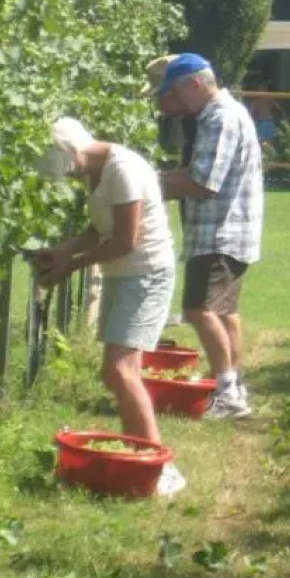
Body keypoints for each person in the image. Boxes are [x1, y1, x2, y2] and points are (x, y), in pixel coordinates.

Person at [34, 117, 186, 496]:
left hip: (145, 275)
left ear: (71, 153)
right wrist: (63, 250)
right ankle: (141, 453)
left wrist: (71, 265)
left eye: (68, 172)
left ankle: (160, 468)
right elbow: (99, 227)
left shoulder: (123, 171)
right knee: (119, 373)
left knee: (120, 372)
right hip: (125, 276)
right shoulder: (97, 172)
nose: (70, 179)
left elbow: (124, 241)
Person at [156, 54, 263, 420]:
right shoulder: (223, 114)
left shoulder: (219, 118)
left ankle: (228, 394)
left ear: (195, 85)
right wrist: (157, 177)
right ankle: (233, 386)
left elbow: (202, 182)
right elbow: (194, 171)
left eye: (175, 93)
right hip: (232, 232)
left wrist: (143, 188)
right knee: (225, 312)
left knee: (197, 310)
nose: (176, 103)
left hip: (218, 233)